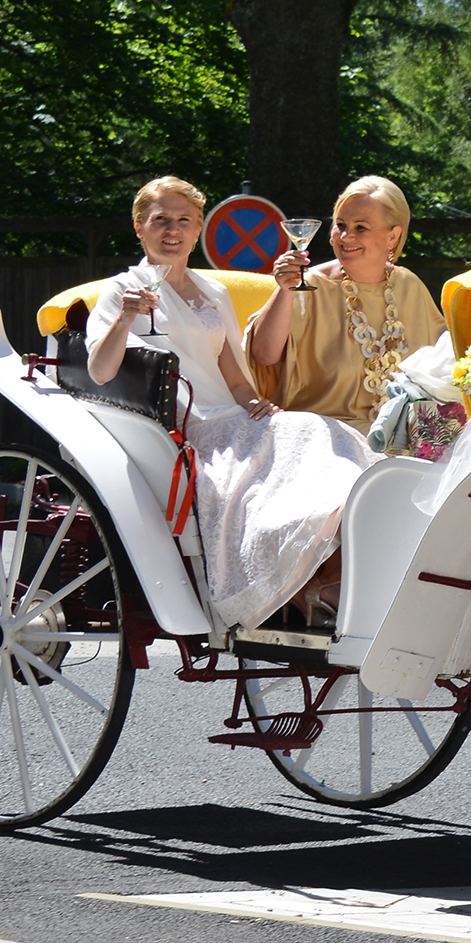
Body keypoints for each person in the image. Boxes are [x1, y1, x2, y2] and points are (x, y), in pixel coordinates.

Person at [88, 176, 374, 627]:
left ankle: (328, 561)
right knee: (268, 457)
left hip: (229, 413)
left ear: (198, 229)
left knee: (315, 428)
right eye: (160, 220)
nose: (172, 230)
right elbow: (100, 372)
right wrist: (125, 318)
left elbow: (236, 380)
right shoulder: (121, 291)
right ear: (139, 227)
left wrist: (258, 406)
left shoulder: (213, 293)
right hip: (179, 425)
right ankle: (296, 575)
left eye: (184, 221)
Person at [243, 174, 449, 432]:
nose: (346, 236)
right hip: (328, 438)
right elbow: (263, 355)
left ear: (393, 236)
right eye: (340, 225)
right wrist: (285, 291)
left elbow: (445, 364)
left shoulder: (409, 285)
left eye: (360, 227)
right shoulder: (307, 286)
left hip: (404, 439)